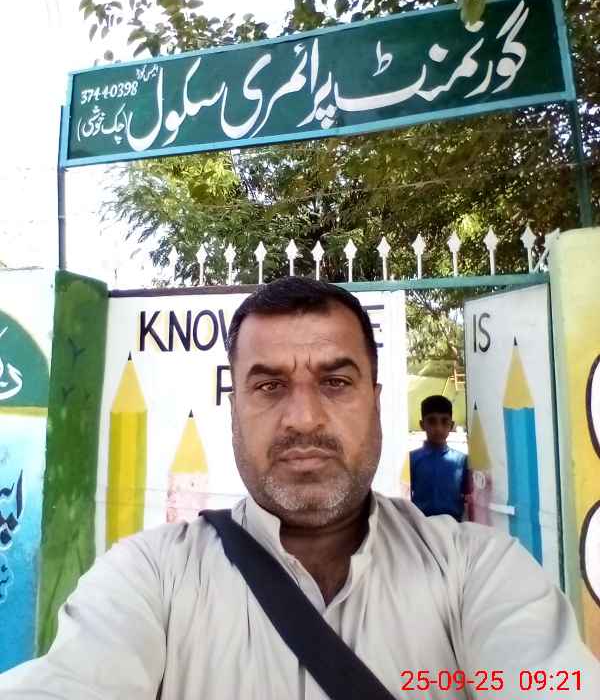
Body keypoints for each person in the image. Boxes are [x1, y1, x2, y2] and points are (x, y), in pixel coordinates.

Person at [0, 276, 598, 699]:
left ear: (376, 403)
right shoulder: (149, 578)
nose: (304, 418)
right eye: (269, 386)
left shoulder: (478, 572)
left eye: (336, 382)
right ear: (234, 409)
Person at [409, 395, 469, 522]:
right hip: (420, 525)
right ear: (422, 425)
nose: (438, 428)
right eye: (432, 421)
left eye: (444, 421)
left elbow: (469, 496)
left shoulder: (462, 461)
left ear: (451, 425)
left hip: (453, 525)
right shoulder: (411, 459)